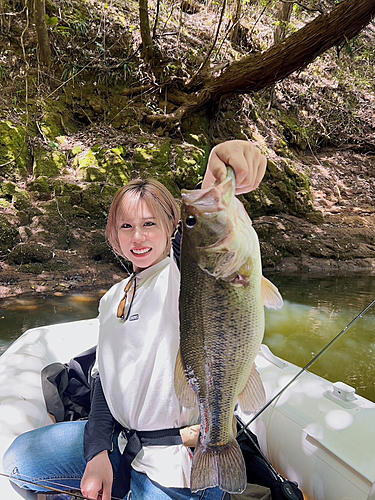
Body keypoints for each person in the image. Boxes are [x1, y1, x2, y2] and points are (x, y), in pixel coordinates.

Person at [3, 140, 267, 500]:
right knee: (18, 461)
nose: (138, 236)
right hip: (121, 444)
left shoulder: (180, 274)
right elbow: (103, 382)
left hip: (175, 463)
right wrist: (96, 453)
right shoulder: (113, 298)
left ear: (172, 227)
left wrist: (220, 164)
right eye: (126, 225)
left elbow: (205, 236)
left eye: (149, 224)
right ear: (114, 233)